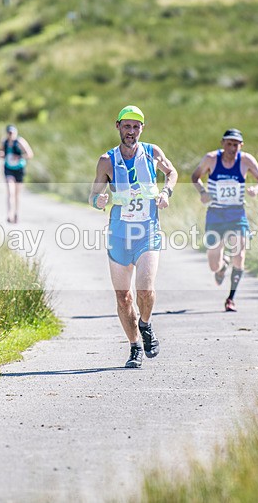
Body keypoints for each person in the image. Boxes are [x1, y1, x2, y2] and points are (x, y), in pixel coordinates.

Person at [88, 105, 178, 368]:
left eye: (136, 126)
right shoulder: (107, 160)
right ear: (117, 126)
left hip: (147, 232)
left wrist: (166, 193)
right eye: (126, 126)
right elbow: (93, 195)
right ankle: (135, 346)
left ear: (142, 128)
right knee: (123, 297)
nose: (131, 131)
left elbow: (171, 173)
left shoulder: (152, 152)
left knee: (145, 291)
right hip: (119, 235)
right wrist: (98, 201)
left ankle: (145, 324)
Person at [190, 128, 258, 312]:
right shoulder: (211, 159)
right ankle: (222, 266)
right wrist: (203, 192)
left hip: (236, 214)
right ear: (222, 143)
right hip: (215, 214)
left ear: (241, 145)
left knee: (239, 255)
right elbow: (195, 176)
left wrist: (256, 189)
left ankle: (231, 299)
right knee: (213, 264)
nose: (232, 148)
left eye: (236, 145)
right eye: (229, 144)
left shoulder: (246, 160)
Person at [0, 124, 34, 223]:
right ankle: (9, 214)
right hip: (8, 169)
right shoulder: (4, 142)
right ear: (7, 133)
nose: (11, 135)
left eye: (12, 133)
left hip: (19, 169)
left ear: (16, 133)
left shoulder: (20, 142)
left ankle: (16, 213)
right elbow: (0, 152)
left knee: (17, 194)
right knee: (10, 191)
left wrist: (19, 157)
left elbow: (30, 154)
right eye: (9, 133)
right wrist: (1, 154)